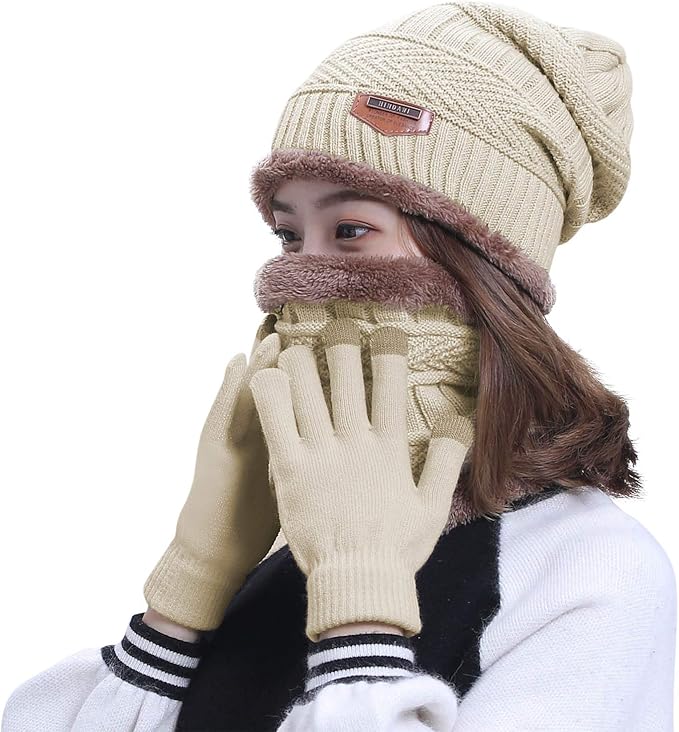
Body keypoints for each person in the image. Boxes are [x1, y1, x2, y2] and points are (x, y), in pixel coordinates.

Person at [3, 2, 676, 730]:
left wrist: (360, 619)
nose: (302, 277)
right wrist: (189, 591)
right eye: (289, 235)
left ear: (484, 263)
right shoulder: (296, 537)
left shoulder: (590, 571)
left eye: (351, 228)